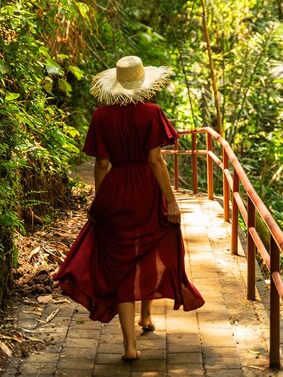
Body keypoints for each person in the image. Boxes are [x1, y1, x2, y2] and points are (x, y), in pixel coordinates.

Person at [53, 55, 205, 361]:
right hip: (147, 191)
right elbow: (155, 160)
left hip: (116, 190)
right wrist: (172, 201)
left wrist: (100, 200)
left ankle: (129, 346)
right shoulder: (151, 113)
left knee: (120, 262)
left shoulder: (101, 116)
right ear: (143, 84)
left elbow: (102, 163)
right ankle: (146, 316)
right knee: (149, 249)